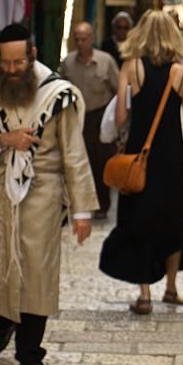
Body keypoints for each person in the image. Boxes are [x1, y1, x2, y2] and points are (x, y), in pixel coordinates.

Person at [0, 23, 98, 365]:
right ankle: (3, 320)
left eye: (18, 63)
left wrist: (82, 211)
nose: (11, 71)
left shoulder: (57, 95)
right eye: (5, 64)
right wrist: (3, 139)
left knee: (36, 274)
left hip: (42, 194)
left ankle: (30, 354)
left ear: (32, 56)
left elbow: (74, 154)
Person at [99, 10, 183, 314]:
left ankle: (145, 294)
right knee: (172, 220)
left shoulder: (132, 66)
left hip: (140, 154)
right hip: (171, 157)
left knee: (140, 220)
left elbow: (122, 116)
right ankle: (172, 288)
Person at [59, 22, 119, 220]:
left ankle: (102, 205)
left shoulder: (105, 61)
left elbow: (118, 89)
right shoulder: (67, 63)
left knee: (101, 162)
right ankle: (76, 203)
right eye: (77, 38)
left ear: (92, 38)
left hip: (100, 116)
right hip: (76, 117)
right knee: (75, 160)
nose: (80, 42)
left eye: (84, 38)